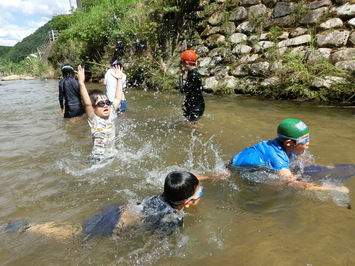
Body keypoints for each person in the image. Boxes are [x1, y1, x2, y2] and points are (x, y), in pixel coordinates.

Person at [1, 171, 224, 240]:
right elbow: (158, 244)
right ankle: (23, 227)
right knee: (72, 234)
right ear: (188, 203)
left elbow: (190, 177)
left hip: (117, 209)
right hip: (113, 223)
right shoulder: (171, 219)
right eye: (199, 193)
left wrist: (213, 176)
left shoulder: (168, 193)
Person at [231, 118, 349, 193]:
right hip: (240, 171)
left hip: (241, 160)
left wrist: (326, 167)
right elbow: (293, 183)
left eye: (309, 138)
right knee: (278, 186)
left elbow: (299, 159)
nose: (308, 143)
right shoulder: (278, 160)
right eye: (304, 140)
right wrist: (333, 189)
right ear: (289, 143)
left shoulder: (282, 144)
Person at [77, 65, 123, 162]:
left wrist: (119, 80)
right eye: (101, 104)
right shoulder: (94, 119)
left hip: (111, 156)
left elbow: (118, 98)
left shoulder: (112, 114)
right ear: (94, 108)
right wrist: (81, 83)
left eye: (107, 103)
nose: (106, 105)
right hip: (96, 159)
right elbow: (87, 104)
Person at [179, 50, 206, 124]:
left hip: (196, 108)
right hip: (193, 105)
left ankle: (207, 130)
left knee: (189, 125)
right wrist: (186, 103)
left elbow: (183, 90)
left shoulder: (193, 75)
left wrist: (180, 77)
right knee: (186, 125)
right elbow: (192, 91)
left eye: (182, 62)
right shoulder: (192, 73)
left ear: (187, 63)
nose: (182, 65)